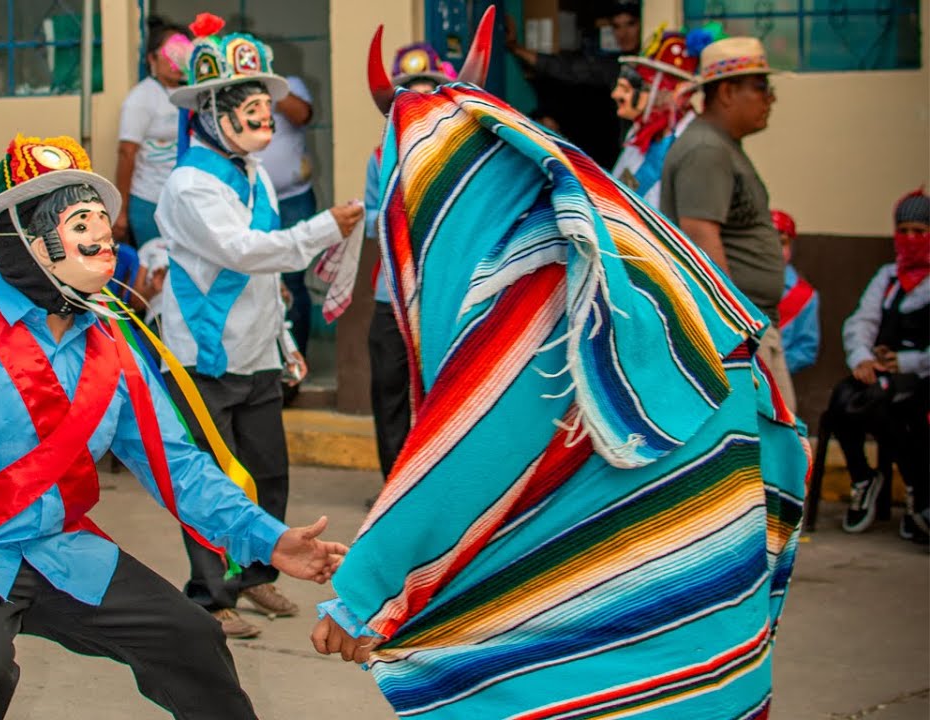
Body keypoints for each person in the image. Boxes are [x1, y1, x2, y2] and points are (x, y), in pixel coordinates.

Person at [311, 13, 809, 717]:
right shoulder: (618, 248)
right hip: (715, 580)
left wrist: (366, 590)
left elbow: (476, 451)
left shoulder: (534, 284)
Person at [0, 133, 346, 719]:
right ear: (24, 242)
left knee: (192, 635)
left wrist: (269, 539)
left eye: (103, 223)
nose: (103, 238)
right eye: (81, 224)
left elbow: (176, 466)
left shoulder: (112, 349)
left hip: (57, 548)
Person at [155, 17, 363, 639]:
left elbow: (266, 278)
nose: (263, 118)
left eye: (263, 105)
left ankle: (255, 574)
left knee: (268, 471)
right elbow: (247, 252)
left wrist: (284, 343)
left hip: (257, 354)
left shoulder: (255, 172)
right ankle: (209, 594)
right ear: (214, 113)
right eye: (249, 107)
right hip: (204, 357)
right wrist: (325, 228)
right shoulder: (190, 185)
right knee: (211, 479)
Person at [660, 37, 795, 410]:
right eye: (760, 87)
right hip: (741, 332)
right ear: (727, 92)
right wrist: (737, 333)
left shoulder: (719, 145)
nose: (770, 98)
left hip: (753, 326)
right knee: (768, 452)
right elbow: (701, 237)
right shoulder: (707, 149)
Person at [362, 35, 462, 494]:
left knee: (447, 392)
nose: (420, 103)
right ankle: (393, 489)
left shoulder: (463, 155)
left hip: (446, 296)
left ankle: (439, 489)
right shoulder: (380, 157)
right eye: (411, 97)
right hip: (391, 296)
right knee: (389, 393)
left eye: (429, 94)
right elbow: (369, 221)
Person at [833, 188, 928, 542]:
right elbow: (861, 322)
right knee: (844, 398)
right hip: (881, 372)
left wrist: (905, 360)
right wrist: (863, 358)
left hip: (920, 375)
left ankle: (918, 486)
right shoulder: (888, 277)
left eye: (920, 232)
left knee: (894, 406)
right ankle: (864, 477)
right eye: (903, 231)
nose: (910, 239)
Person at [504, 2, 642, 168]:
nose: (623, 34)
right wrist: (515, 48)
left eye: (630, 24)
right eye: (617, 27)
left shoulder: (651, 64)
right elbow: (567, 69)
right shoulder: (613, 65)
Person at [610, 25, 716, 208]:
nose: (616, 95)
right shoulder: (638, 134)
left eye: (643, 86)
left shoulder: (692, 144)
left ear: (674, 92)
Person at [253, 75, 317, 367]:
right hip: (252, 202)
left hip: (293, 199)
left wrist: (267, 90)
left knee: (293, 281)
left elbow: (302, 114)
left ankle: (295, 362)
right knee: (258, 281)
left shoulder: (290, 84)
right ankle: (269, 363)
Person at [113, 18, 192, 246]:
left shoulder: (193, 94)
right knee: (156, 266)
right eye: (170, 52)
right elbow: (127, 153)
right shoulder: (142, 98)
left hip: (186, 199)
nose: (176, 60)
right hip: (150, 200)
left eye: (183, 51)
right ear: (152, 58)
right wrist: (121, 212)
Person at [773, 209, 820, 374]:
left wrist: (774, 365)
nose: (775, 249)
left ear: (791, 245)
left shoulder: (805, 296)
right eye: (768, 242)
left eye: (782, 242)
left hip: (777, 375)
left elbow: (807, 349)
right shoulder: (739, 284)